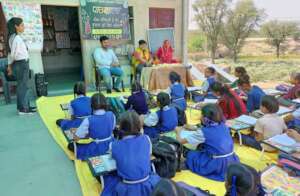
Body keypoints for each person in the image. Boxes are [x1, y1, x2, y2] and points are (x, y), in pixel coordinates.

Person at [101, 111, 160, 196]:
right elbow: (149, 154)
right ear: (139, 125)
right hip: (148, 183)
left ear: (120, 127)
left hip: (127, 188)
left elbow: (112, 158)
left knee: (110, 179)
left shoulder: (114, 145)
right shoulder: (146, 139)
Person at [176, 104, 239, 181]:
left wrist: (178, 131)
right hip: (231, 160)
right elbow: (212, 131)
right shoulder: (223, 125)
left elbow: (180, 141)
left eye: (201, 115)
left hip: (216, 164)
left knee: (190, 154)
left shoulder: (203, 132)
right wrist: (194, 128)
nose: (200, 117)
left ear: (205, 118)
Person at [68, 93, 115, 160]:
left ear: (91, 105)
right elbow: (111, 129)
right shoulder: (111, 114)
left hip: (97, 148)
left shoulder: (88, 120)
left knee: (71, 145)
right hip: (111, 144)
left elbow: (77, 138)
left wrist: (75, 132)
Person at [7, 17, 36, 114]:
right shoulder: (16, 38)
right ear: (16, 26)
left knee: (23, 86)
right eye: (22, 25)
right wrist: (10, 65)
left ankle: (25, 106)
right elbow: (13, 55)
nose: (24, 27)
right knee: (22, 86)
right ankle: (22, 109)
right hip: (21, 64)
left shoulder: (13, 37)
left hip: (21, 63)